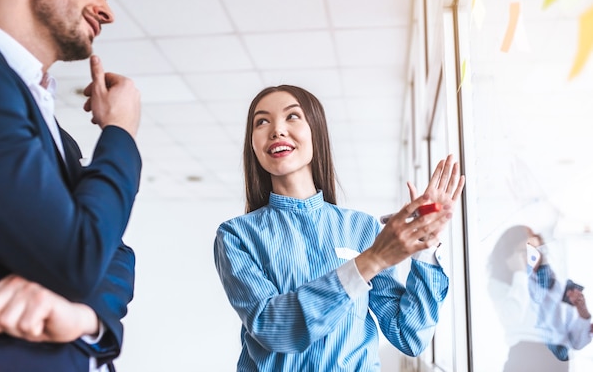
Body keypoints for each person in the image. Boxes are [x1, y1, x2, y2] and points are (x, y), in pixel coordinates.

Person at [213, 85, 465, 371]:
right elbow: (274, 328)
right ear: (253, 144)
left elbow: (409, 336)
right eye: (262, 121)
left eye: (292, 117)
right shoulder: (236, 236)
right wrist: (371, 261)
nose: (277, 130)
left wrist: (425, 245)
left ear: (316, 133)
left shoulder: (362, 229)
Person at [0, 0, 141, 371]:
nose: (107, 13)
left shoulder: (62, 139)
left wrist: (84, 317)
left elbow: (118, 256)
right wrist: (120, 132)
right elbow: (80, 256)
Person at [487, 225, 591, 372]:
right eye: (524, 252)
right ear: (509, 255)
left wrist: (583, 314)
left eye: (535, 251)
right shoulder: (502, 285)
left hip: (557, 362)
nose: (532, 258)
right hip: (524, 357)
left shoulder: (558, 287)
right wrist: (519, 274)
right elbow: (512, 317)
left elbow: (578, 342)